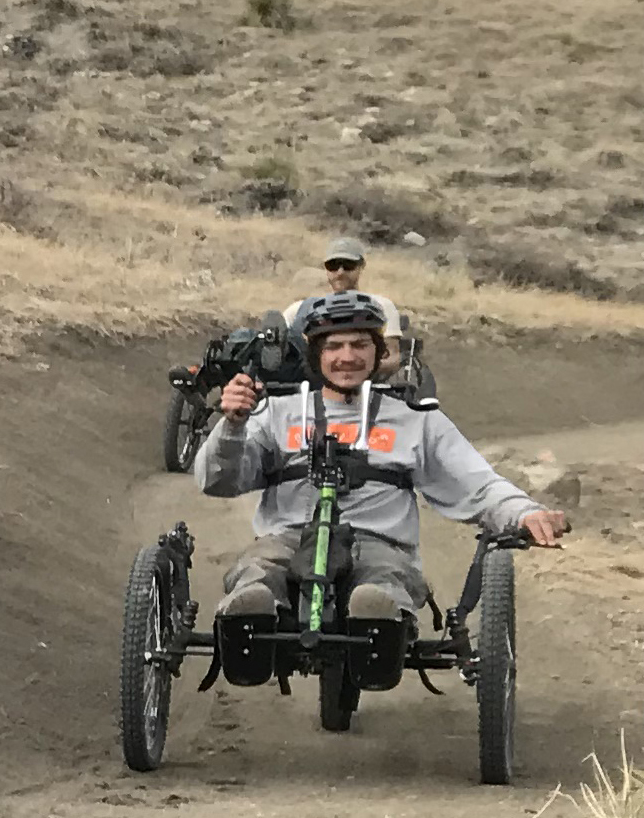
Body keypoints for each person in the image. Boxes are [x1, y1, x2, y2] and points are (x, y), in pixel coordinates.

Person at [198, 289, 563, 625]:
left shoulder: (416, 419)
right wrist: (232, 426)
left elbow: (476, 483)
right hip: (289, 537)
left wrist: (524, 512)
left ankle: (378, 619)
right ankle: (252, 618)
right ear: (316, 354)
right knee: (259, 569)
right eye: (334, 346)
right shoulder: (277, 412)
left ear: (378, 352)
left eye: (360, 344)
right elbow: (217, 481)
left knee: (383, 581)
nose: (347, 357)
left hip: (377, 543)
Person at [281, 234, 424, 393]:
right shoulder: (299, 310)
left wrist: (353, 369)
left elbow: (393, 359)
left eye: (348, 265)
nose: (340, 272)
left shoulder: (381, 306)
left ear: (361, 266)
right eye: (333, 266)